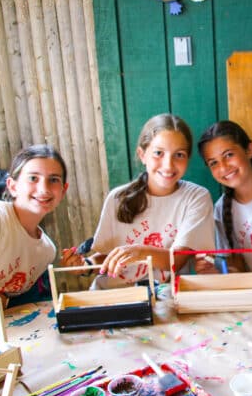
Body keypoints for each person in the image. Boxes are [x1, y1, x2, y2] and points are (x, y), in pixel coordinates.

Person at [70, 113, 215, 289]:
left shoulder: (196, 197)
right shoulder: (118, 198)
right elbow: (107, 257)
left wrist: (140, 251)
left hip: (166, 298)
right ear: (142, 154)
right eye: (158, 153)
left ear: (188, 159)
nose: (168, 165)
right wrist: (85, 265)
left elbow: (176, 261)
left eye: (179, 154)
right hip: (115, 296)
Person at [197, 120, 252, 287]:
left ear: (249, 150)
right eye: (213, 162)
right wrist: (220, 271)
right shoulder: (220, 210)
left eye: (229, 155)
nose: (223, 167)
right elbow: (235, 267)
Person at [0, 144, 73, 309]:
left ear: (63, 191)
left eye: (53, 180)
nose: (44, 189)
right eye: (33, 178)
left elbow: (6, 297)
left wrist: (1, 299)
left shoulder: (47, 252)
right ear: (13, 186)